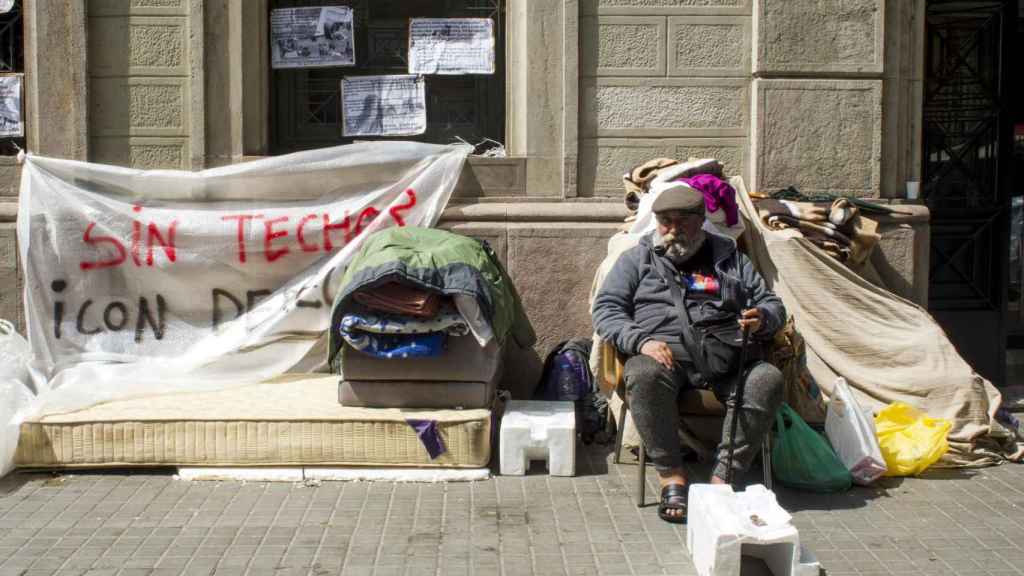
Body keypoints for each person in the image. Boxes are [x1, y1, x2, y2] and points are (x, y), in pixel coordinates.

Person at [591, 181, 786, 523]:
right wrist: (641, 341)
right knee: (643, 372)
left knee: (766, 378)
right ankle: (672, 477)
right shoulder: (638, 259)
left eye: (682, 221)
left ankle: (723, 481)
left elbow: (771, 304)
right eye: (665, 221)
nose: (673, 229)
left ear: (701, 219)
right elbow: (607, 309)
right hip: (664, 359)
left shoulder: (730, 259)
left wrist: (763, 319)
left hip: (727, 358)